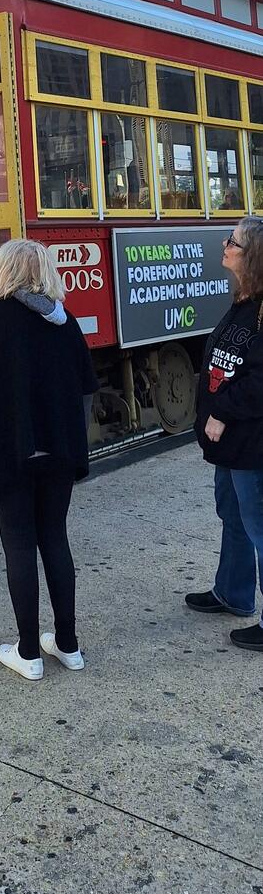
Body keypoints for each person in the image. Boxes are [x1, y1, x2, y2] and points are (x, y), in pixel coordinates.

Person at [0, 239, 98, 682]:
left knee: (18, 544)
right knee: (55, 537)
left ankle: (28, 652)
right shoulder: (64, 323)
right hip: (59, 454)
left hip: (10, 456)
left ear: (4, 273)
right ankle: (68, 646)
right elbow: (87, 388)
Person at [188, 217, 263, 652]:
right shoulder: (243, 300)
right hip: (231, 442)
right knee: (232, 516)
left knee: (259, 526)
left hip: (251, 442)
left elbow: (259, 383)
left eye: (232, 241)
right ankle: (233, 593)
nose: (224, 243)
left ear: (249, 256)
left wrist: (222, 413)